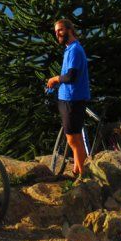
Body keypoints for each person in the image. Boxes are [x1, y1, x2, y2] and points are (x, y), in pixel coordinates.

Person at [46, 19, 91, 178]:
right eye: (56, 31)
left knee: (73, 139)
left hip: (72, 99)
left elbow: (71, 76)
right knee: (75, 139)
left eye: (60, 30)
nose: (57, 33)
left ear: (70, 30)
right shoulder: (70, 49)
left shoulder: (74, 50)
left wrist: (55, 79)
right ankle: (77, 171)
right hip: (70, 98)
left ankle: (82, 175)